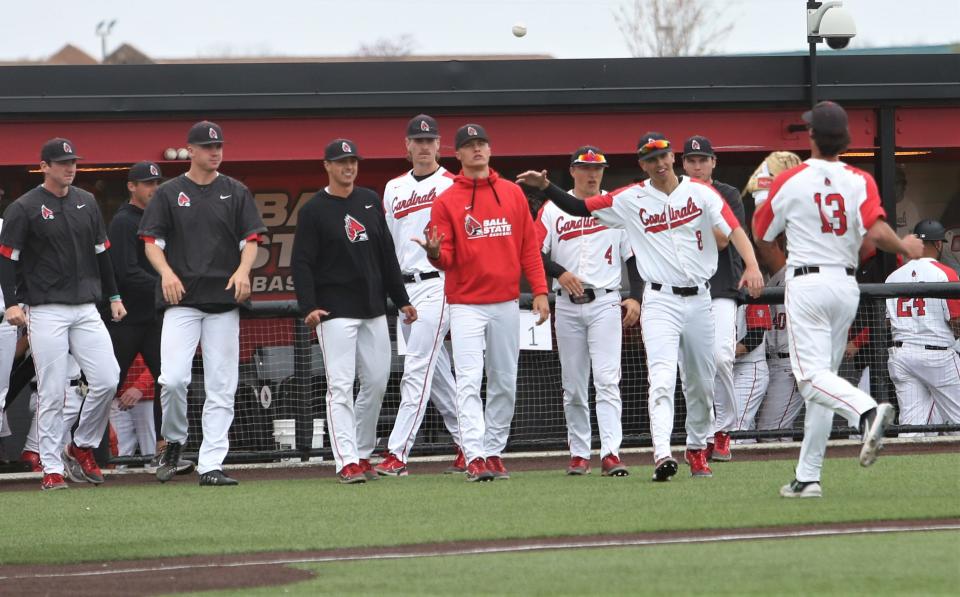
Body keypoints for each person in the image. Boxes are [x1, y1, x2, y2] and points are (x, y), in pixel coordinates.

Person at [518, 131, 764, 482]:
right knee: (660, 379)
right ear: (642, 165)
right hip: (659, 298)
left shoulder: (701, 192)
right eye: (650, 159)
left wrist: (752, 265)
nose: (659, 163)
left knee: (700, 382)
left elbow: (735, 229)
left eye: (662, 156)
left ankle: (696, 447)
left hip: (699, 297)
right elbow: (578, 207)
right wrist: (546, 188)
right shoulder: (630, 198)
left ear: (672, 157)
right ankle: (662, 453)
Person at [753, 101, 924, 498]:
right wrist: (906, 247)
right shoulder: (858, 179)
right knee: (824, 381)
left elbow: (762, 233)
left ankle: (866, 412)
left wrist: (763, 193)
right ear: (845, 140)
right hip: (845, 286)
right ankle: (808, 476)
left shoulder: (790, 179)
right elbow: (878, 233)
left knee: (811, 379)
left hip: (808, 283)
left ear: (812, 136)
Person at [417, 123, 550, 482]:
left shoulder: (512, 193)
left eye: (482, 144)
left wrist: (539, 290)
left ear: (490, 151)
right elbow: (446, 258)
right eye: (469, 145)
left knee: (505, 380)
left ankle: (493, 450)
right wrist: (433, 254)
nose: (477, 149)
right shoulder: (446, 200)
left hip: (506, 301)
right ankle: (474, 455)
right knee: (469, 381)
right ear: (457, 154)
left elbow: (528, 248)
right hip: (466, 304)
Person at [139, 121, 266, 487]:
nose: (215, 152)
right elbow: (151, 242)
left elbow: (251, 240)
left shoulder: (235, 190)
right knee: (174, 379)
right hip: (182, 300)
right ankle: (175, 441)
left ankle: (211, 463)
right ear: (190, 151)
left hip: (223, 301)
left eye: (219, 147)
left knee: (222, 386)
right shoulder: (169, 192)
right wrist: (165, 273)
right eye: (207, 147)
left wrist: (244, 272)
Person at [0, 138, 124, 491]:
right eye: (62, 162)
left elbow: (103, 255)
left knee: (108, 378)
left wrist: (114, 295)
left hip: (86, 306)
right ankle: (51, 467)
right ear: (44, 166)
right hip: (45, 308)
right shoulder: (23, 207)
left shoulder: (86, 201)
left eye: (73, 161)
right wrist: (11, 302)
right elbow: (6, 260)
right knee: (53, 391)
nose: (70, 167)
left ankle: (81, 445)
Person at [292, 138, 416, 484]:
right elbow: (301, 263)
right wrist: (309, 305)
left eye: (353, 162)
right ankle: (345, 460)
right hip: (334, 311)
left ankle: (362, 452)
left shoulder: (369, 200)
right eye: (342, 162)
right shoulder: (314, 209)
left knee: (377, 382)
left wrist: (401, 298)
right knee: (340, 386)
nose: (349, 167)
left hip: (373, 307)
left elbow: (386, 254)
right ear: (327, 166)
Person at [535, 145, 642, 476]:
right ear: (573, 171)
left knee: (608, 379)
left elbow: (634, 257)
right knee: (574, 383)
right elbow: (531, 252)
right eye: (585, 168)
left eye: (598, 168)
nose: (593, 174)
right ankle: (580, 453)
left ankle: (610, 452)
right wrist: (559, 272)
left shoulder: (615, 206)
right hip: (567, 304)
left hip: (606, 301)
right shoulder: (553, 208)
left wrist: (636, 297)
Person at [376, 115, 464, 477]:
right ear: (407, 146)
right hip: (404, 287)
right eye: (418, 140)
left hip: (438, 281)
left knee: (415, 369)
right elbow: (386, 243)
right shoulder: (393, 187)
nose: (424, 146)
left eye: (430, 140)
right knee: (437, 372)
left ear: (439, 146)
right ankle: (472, 444)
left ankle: (397, 454)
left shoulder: (453, 184)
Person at [108, 161, 193, 474]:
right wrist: (165, 284)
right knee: (106, 383)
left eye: (157, 183)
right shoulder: (123, 221)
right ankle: (77, 447)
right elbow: (125, 271)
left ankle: (165, 449)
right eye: (147, 184)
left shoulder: (162, 219)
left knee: (169, 379)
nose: (154, 189)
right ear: (132, 186)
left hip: (156, 316)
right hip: (127, 317)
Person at [681, 135, 746, 462]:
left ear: (713, 162)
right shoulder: (673, 195)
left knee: (721, 356)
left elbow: (722, 240)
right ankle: (703, 435)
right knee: (691, 368)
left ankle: (723, 430)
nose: (697, 165)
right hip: (683, 288)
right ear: (682, 164)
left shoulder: (728, 194)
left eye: (703, 159)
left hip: (720, 286)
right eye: (691, 160)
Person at [884, 219, 960, 431]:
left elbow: (888, 321)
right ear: (938, 244)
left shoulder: (893, 277)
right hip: (938, 357)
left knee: (911, 426)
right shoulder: (945, 273)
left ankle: (906, 458)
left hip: (902, 355)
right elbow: (956, 321)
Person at [755, 237, 803, 440]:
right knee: (779, 434)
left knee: (768, 433)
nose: (756, 254)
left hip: (789, 364)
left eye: (759, 248)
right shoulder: (767, 279)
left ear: (774, 244)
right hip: (772, 362)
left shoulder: (795, 277)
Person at [730, 303, 772, 440]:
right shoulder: (718, 294)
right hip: (730, 369)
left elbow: (755, 337)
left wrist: (723, 354)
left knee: (734, 429)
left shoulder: (753, 291)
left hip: (750, 369)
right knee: (745, 431)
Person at [109, 354, 158, 461]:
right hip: (117, 397)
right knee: (118, 452)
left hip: (149, 397)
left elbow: (162, 360)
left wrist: (140, 386)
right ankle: (117, 476)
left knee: (152, 451)